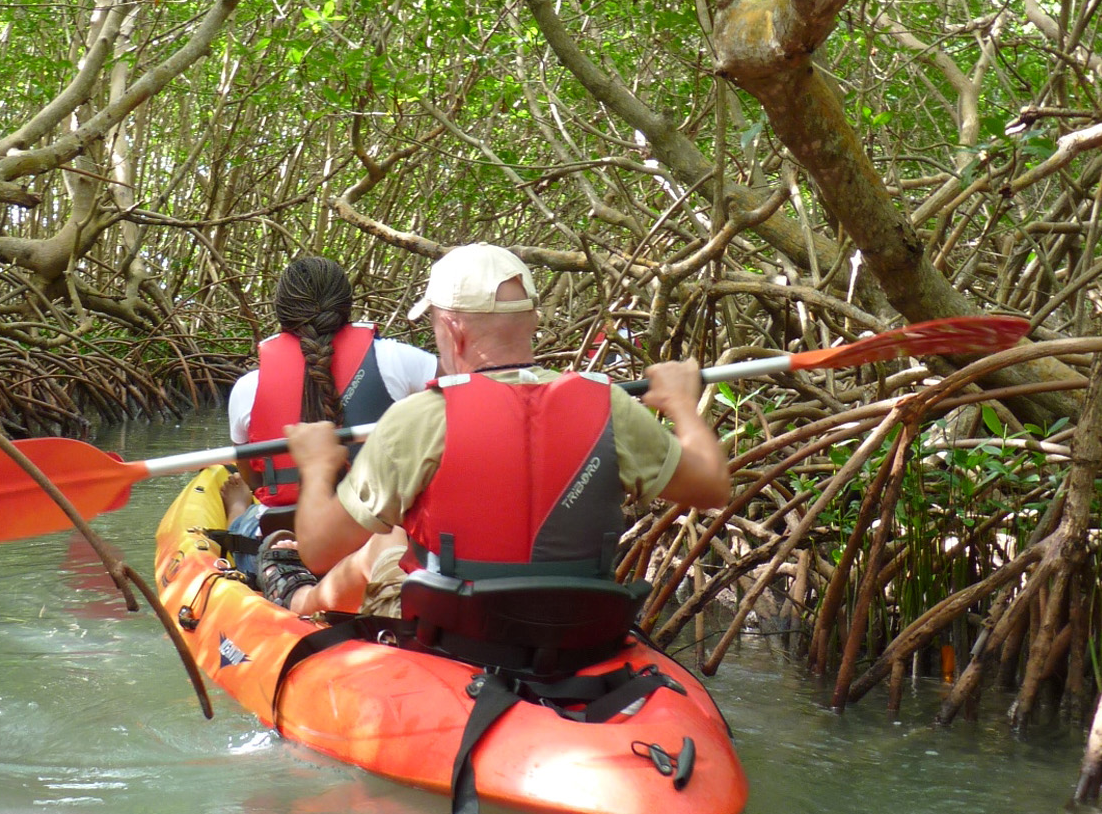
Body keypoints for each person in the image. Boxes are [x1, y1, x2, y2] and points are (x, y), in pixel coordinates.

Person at [280, 242, 730, 621]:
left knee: (388, 539)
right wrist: (682, 406)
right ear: (533, 319)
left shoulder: (418, 420)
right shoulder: (610, 406)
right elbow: (712, 487)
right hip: (575, 628)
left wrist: (318, 466)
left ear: (452, 331)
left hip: (456, 631)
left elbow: (318, 550)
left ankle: (302, 604)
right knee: (391, 536)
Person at [225, 254, 434, 582]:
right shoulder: (403, 362)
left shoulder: (246, 389)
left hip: (280, 537)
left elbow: (255, 481)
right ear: (344, 305)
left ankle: (235, 510)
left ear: (282, 312)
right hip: (375, 534)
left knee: (244, 513)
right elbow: (456, 415)